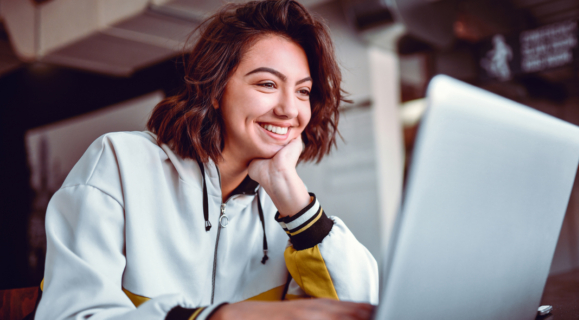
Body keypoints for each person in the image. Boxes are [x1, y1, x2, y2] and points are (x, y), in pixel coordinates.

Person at [35, 1, 379, 319]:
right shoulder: (118, 162)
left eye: (303, 91)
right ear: (215, 90)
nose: (290, 109)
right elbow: (71, 314)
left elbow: (358, 306)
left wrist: (292, 196)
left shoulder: (288, 206)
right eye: (267, 84)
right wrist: (219, 316)